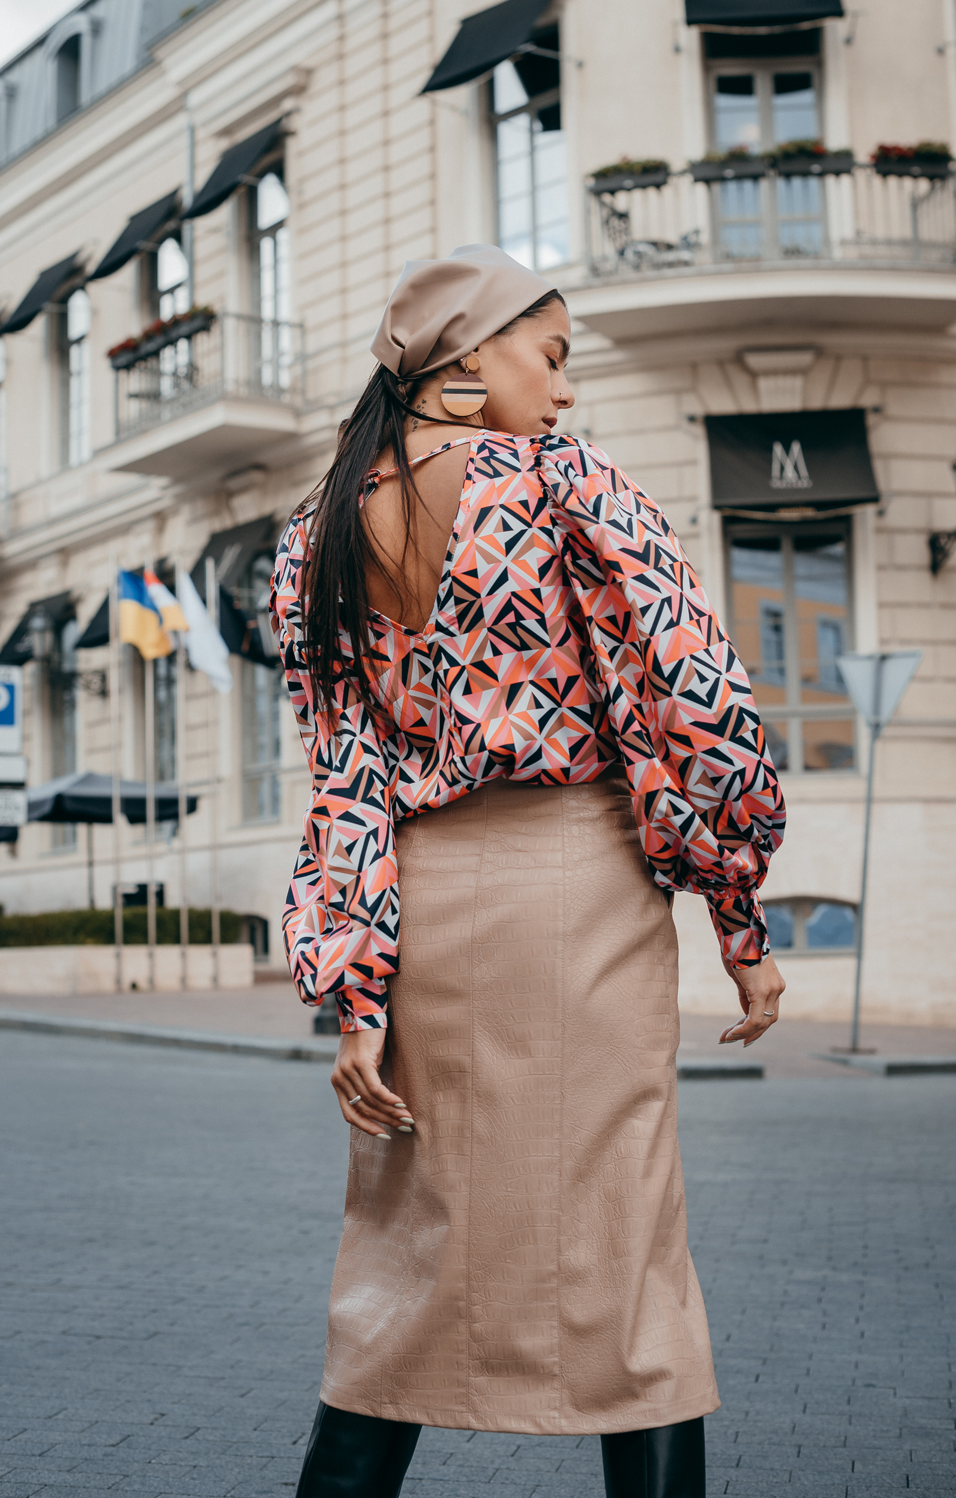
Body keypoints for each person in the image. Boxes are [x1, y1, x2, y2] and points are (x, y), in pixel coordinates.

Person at [271, 244, 787, 1498]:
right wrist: (738, 913)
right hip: (577, 896)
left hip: (427, 916)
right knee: (628, 1266)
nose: (561, 392)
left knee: (397, 1281)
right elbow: (696, 704)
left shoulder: (317, 532)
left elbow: (346, 780)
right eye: (547, 357)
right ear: (463, 358)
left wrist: (360, 991)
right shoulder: (565, 485)